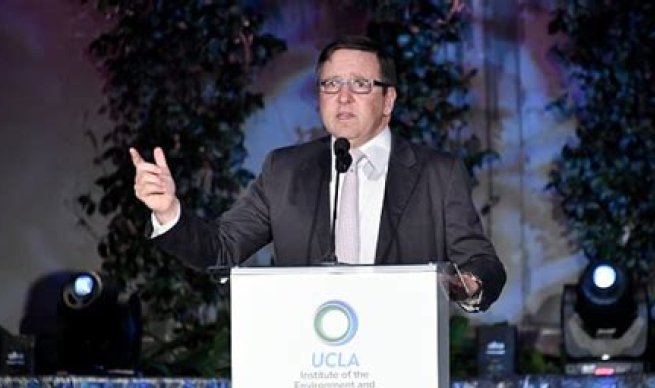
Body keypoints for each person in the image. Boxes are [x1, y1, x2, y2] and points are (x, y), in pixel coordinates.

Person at [130, 35, 506, 312]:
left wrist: (467, 284)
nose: (343, 96)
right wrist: (168, 212)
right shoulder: (284, 171)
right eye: (331, 84)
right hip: (312, 369)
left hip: (404, 363)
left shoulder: (437, 173)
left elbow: (483, 263)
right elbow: (222, 249)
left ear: (388, 99)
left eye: (360, 84)